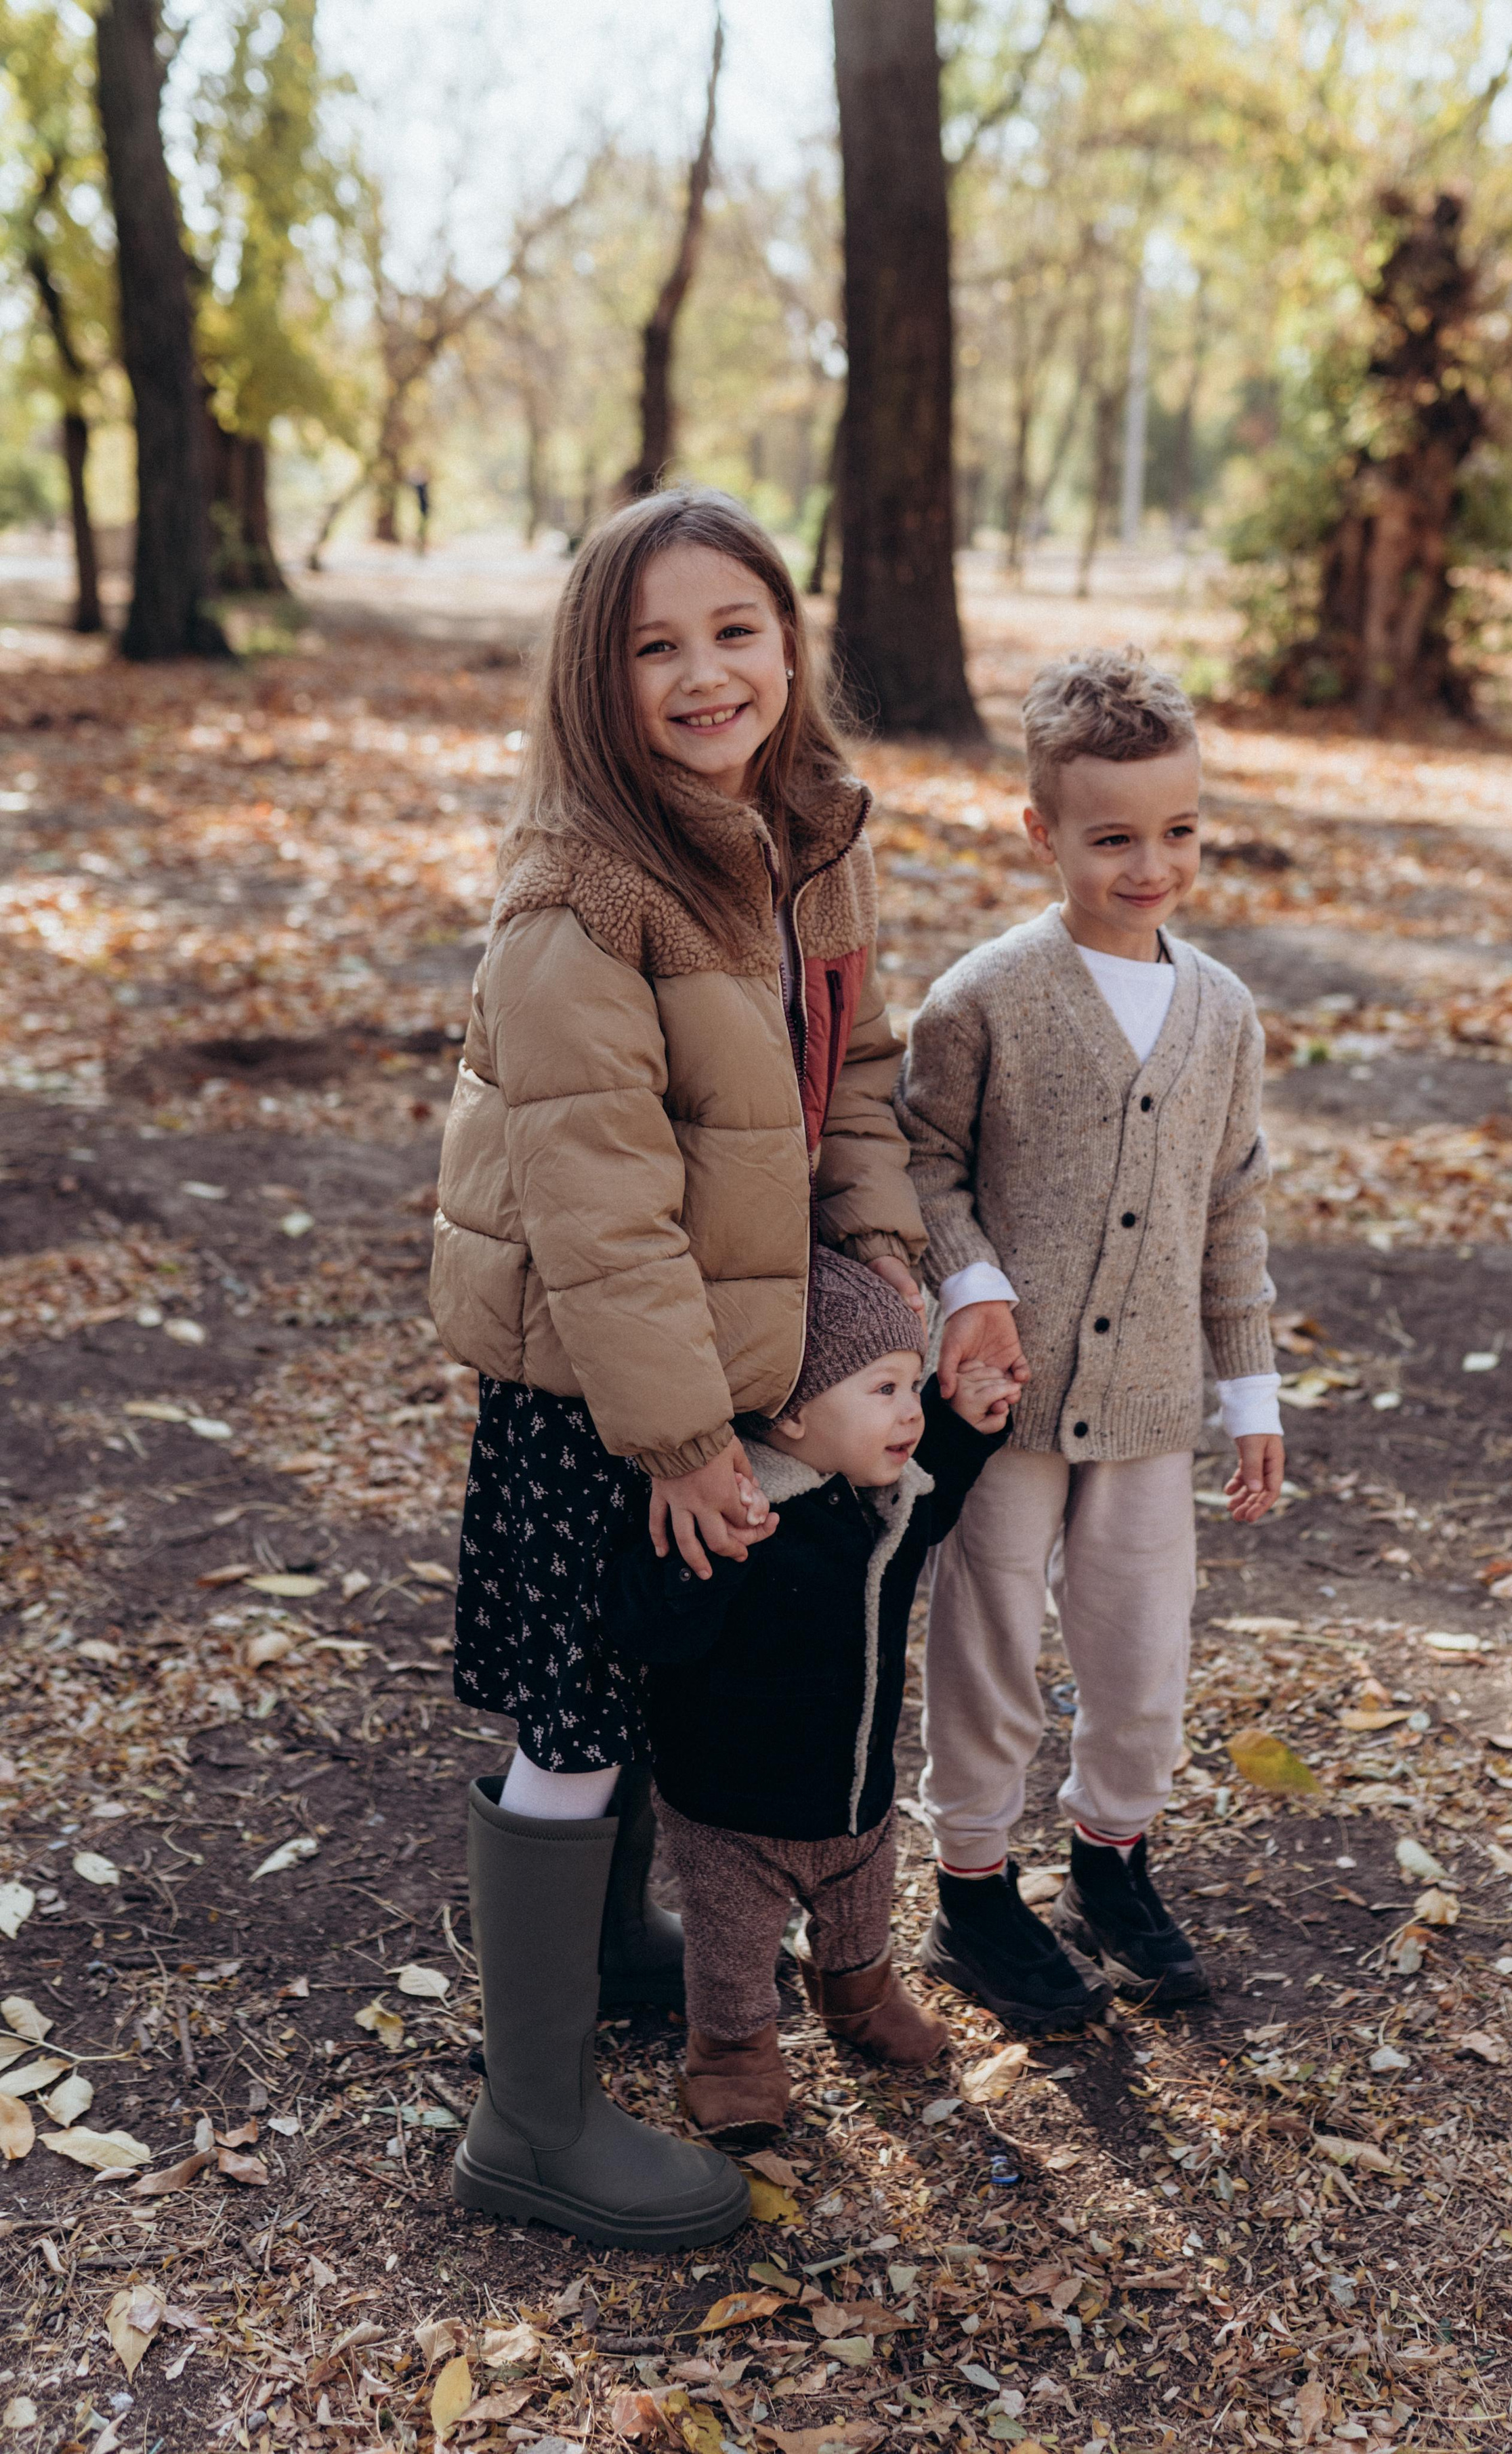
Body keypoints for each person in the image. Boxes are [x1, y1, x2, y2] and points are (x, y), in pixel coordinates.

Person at [429, 488, 927, 2245]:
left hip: (733, 1332)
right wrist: (685, 1430)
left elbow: (853, 1075)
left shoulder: (812, 830)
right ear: (597, 677)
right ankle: (531, 2119)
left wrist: (882, 1274)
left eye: (738, 629)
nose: (707, 673)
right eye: (657, 646)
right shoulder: (586, 901)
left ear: (793, 639)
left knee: (655, 1669)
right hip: (599, 1385)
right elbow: (601, 1210)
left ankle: (614, 1941)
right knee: (572, 1707)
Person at [895, 646, 1285, 2029]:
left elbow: (1229, 1202)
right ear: (1039, 830)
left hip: (1149, 1404)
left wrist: (1250, 1396)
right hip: (1003, 1395)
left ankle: (1110, 1861)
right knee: (988, 1641)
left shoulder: (1223, 1012)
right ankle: (973, 1888)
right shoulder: (985, 995)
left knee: (1137, 1652)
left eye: (1175, 832)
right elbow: (919, 1162)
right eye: (1110, 836)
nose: (1147, 864)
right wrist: (968, 1287)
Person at [603, 1251, 1015, 2145]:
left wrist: (970, 1424)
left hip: (856, 1788)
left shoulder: (885, 1496)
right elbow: (648, 1629)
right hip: (730, 1808)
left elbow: (932, 1490)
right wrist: (701, 1562)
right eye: (883, 1389)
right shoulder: (735, 1507)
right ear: (789, 1417)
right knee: (731, 1949)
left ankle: (856, 1990)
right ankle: (732, 2052)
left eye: (913, 1383)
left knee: (861, 1902)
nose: (910, 1410)